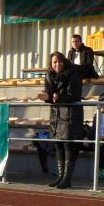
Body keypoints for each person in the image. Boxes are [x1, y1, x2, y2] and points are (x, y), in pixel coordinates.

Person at [39, 52, 83, 189]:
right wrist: (46, 97)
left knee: (68, 145)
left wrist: (58, 97)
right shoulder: (49, 75)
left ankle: (67, 178)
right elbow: (49, 93)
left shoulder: (73, 73)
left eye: (59, 61)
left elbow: (74, 95)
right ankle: (60, 177)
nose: (57, 64)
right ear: (51, 64)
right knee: (58, 145)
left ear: (64, 62)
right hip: (56, 114)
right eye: (54, 62)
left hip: (70, 114)